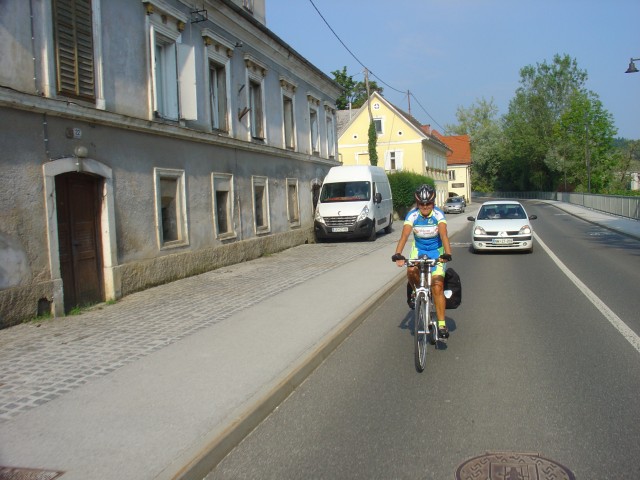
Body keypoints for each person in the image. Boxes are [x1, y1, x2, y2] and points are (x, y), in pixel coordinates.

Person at [391, 184, 452, 338]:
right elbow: (404, 236)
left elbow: (444, 235)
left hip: (436, 251)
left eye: (428, 204)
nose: (425, 207)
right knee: (410, 270)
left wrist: (447, 253)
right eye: (421, 204)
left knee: (437, 286)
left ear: (433, 203)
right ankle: (415, 291)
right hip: (419, 249)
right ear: (417, 204)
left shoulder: (438, 215)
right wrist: (398, 253)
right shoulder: (412, 215)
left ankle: (442, 324)